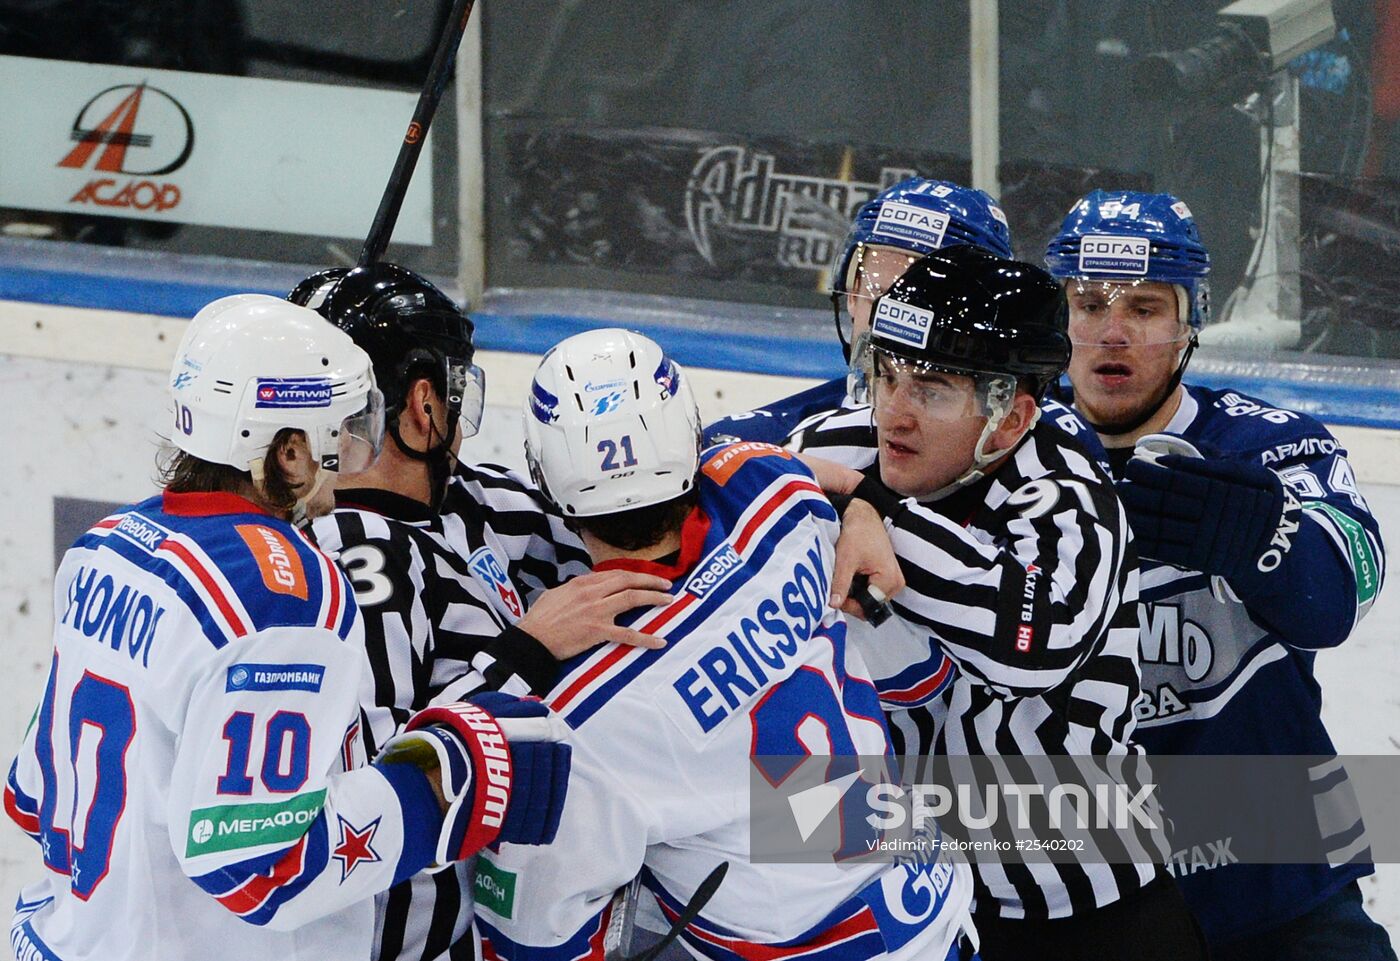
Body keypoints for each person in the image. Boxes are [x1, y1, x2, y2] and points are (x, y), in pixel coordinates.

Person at [3, 295, 571, 961]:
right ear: (289, 452)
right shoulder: (282, 592)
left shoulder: (106, 549)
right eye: (340, 430)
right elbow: (260, 867)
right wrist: (451, 778)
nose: (352, 452)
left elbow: (30, 792)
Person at [471, 328, 977, 961]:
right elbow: (815, 477)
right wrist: (868, 505)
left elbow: (535, 939)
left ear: (545, 479)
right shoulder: (775, 491)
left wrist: (520, 659)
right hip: (932, 902)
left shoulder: (580, 720)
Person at [787, 245, 1209, 960]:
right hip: (902, 908)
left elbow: (1032, 644)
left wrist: (871, 509)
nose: (896, 412)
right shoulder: (832, 447)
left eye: (934, 389)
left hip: (1085, 917)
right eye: (887, 375)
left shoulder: (1069, 498)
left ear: (1010, 419)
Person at [1045, 189, 1393, 960]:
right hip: (1084, 900)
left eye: (1143, 306)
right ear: (1058, 316)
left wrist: (1271, 540)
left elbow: (1339, 596)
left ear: (1188, 324)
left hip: (1280, 883)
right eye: (1090, 300)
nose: (1112, 330)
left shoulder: (1270, 446)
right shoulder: (1003, 456)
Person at [291, 263, 674, 961]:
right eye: (453, 384)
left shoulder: (463, 499)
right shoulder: (352, 557)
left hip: (504, 917)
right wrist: (525, 653)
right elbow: (367, 791)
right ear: (424, 403)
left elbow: (620, 521)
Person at [704, 177, 1012, 449]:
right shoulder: (756, 447)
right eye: (878, 297)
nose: (896, 325)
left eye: (922, 307)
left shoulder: (1039, 449)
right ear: (851, 297)